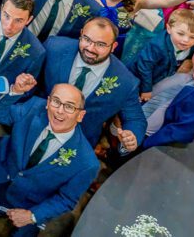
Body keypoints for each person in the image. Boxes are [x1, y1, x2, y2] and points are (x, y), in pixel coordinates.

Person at [0, 82, 100, 235]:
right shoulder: (32, 108)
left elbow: (66, 199)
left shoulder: (86, 163)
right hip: (6, 175)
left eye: (69, 106)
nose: (59, 111)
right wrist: (14, 92)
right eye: (56, 102)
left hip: (33, 204)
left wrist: (32, 216)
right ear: (48, 102)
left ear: (80, 115)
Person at [36, 18, 146, 149]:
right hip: (37, 123)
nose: (90, 48)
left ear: (113, 47)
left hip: (77, 143)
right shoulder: (54, 48)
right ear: (81, 34)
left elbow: (136, 119)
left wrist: (132, 137)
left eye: (100, 44)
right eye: (87, 39)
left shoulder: (125, 82)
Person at [126, 8, 194, 100]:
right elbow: (144, 67)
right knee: (131, 94)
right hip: (136, 75)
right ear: (169, 29)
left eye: (192, 37)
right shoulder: (157, 46)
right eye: (180, 34)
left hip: (159, 73)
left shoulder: (193, 46)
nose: (186, 40)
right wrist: (146, 89)